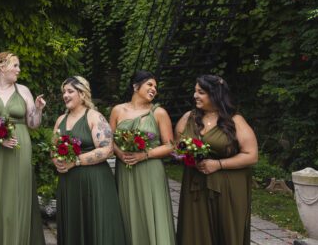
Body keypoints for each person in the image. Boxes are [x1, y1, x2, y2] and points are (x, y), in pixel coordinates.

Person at [0, 51, 46, 245]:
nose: (19, 70)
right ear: (1, 67)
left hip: (17, 146)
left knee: (16, 193)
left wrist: (37, 109)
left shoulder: (23, 91)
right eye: (15, 66)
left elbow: (33, 124)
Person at [175, 74, 258, 245]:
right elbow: (177, 147)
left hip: (227, 186)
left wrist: (218, 164)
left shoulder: (234, 121)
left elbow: (251, 155)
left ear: (215, 94)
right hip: (195, 185)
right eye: (195, 91)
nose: (195, 96)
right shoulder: (189, 117)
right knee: (195, 233)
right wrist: (188, 156)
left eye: (200, 92)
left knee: (226, 232)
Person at [52, 76, 126, 245]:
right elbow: (53, 148)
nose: (65, 95)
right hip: (68, 182)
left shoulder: (94, 117)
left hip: (94, 181)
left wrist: (75, 161)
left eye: (70, 91)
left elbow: (106, 149)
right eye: (64, 92)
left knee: (95, 224)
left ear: (82, 94)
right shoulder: (60, 120)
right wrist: (56, 160)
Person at [109, 70, 176, 245]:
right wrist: (120, 153)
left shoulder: (159, 112)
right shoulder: (117, 110)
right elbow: (109, 140)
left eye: (156, 87)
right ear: (135, 86)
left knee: (151, 211)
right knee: (128, 211)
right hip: (126, 169)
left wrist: (144, 155)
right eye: (150, 84)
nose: (154, 89)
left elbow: (170, 145)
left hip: (150, 169)